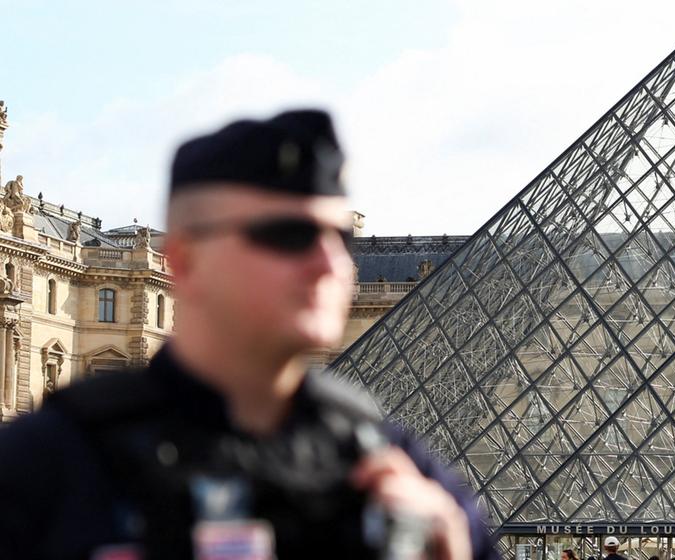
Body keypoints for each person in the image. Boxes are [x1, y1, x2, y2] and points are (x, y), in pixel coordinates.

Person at [0, 110, 498, 559]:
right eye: (288, 235)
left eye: (339, 237)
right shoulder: (45, 469)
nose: (330, 263)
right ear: (186, 259)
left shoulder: (395, 469)